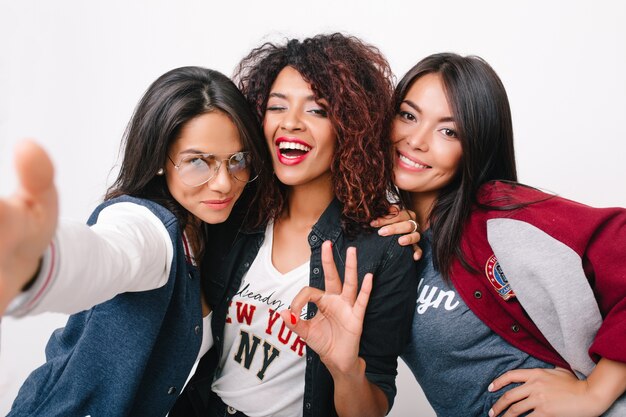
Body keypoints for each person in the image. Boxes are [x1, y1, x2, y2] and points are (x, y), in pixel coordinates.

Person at [0, 66, 271, 416]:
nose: (223, 182)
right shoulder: (148, 227)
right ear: (159, 159)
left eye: (237, 160)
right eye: (197, 162)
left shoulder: (210, 231)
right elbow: (108, 255)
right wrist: (37, 261)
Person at [170, 33, 417, 417]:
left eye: (317, 110)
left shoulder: (383, 247)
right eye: (277, 107)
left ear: (351, 126)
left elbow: (374, 402)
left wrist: (345, 369)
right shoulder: (231, 211)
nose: (292, 123)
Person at [371, 52, 626, 416]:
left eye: (448, 131)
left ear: (475, 143)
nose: (416, 140)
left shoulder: (500, 214)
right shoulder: (393, 238)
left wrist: (594, 393)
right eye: (408, 116)